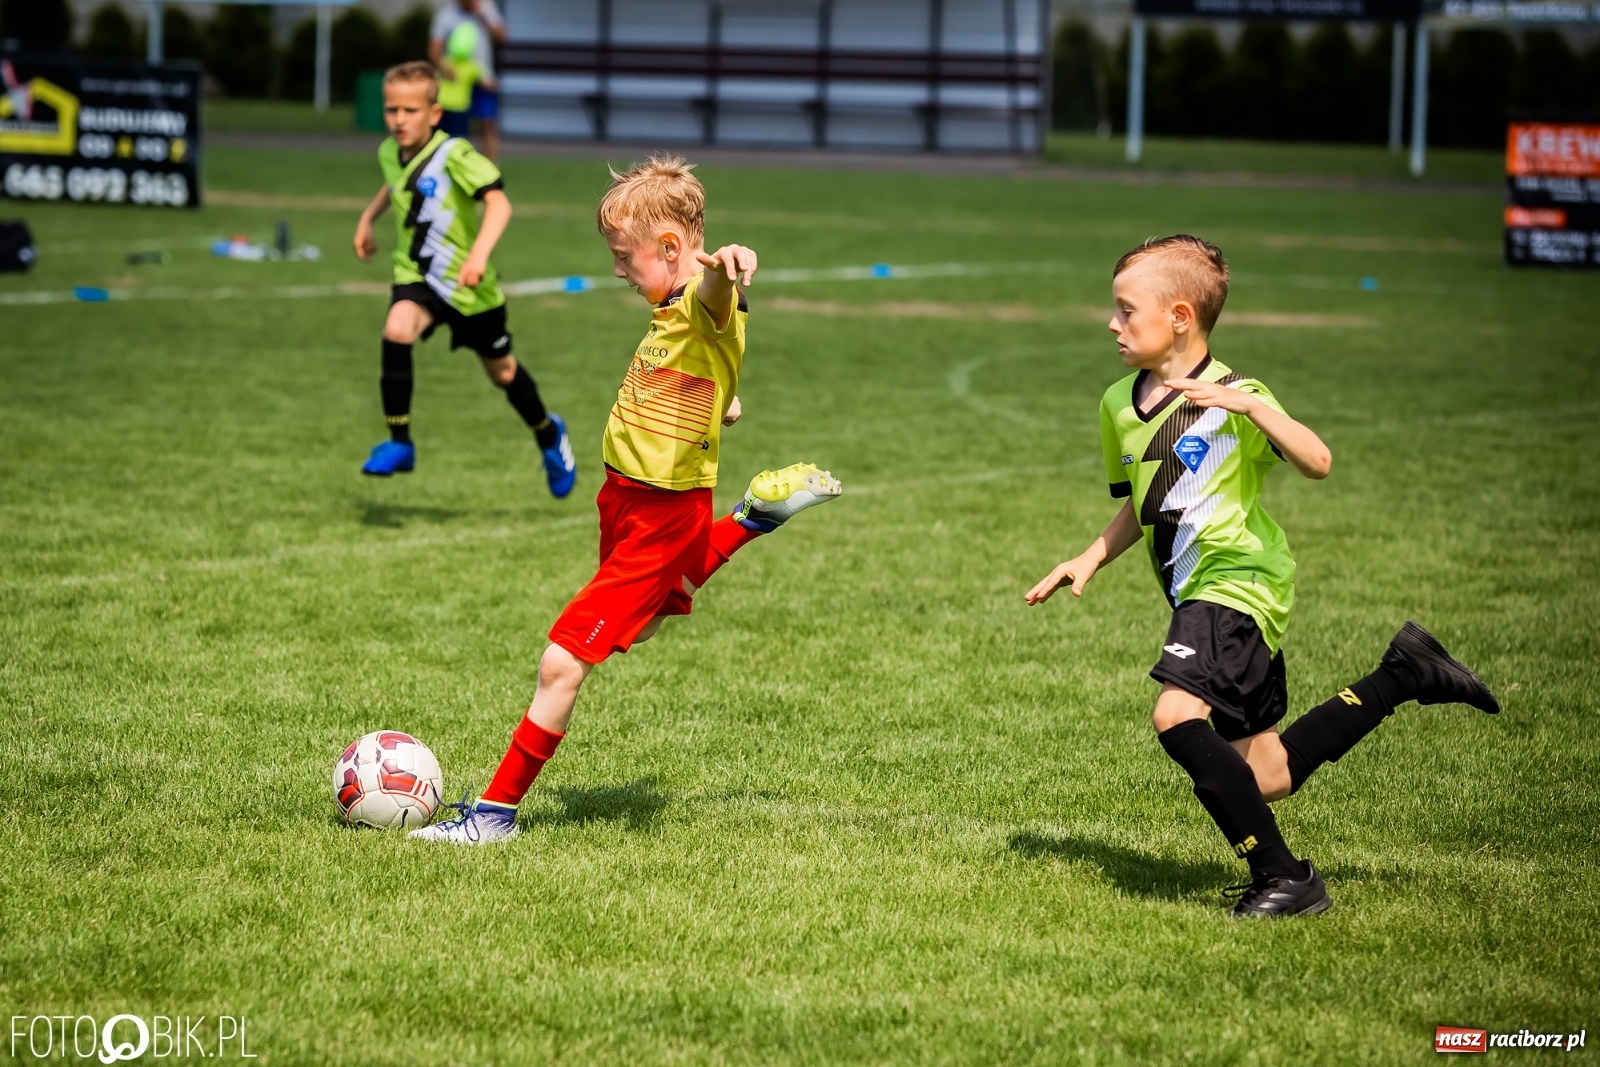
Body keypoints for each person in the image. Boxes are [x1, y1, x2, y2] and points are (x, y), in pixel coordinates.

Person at [1025, 235, 1499, 917]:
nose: (1112, 323)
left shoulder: (1240, 396)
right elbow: (1146, 499)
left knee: (1175, 714)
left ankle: (1284, 876)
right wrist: (1091, 554)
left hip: (1239, 580)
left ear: (1180, 317)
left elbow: (1318, 460)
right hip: (1197, 592)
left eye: (1127, 311)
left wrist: (1250, 408)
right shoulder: (1117, 404)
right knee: (1263, 772)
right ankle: (1406, 672)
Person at [411, 156, 842, 844]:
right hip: (624, 498)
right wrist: (721, 401)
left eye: (623, 257)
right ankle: (753, 516)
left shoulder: (702, 294)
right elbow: (702, 364)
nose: (616, 269)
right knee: (634, 629)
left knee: (563, 661)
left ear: (672, 249)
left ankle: (494, 815)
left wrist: (726, 265)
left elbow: (718, 303)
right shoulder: (670, 304)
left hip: (663, 510)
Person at [352, 61, 576, 496]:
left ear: (434, 114)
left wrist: (477, 256)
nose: (399, 120)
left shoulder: (454, 153)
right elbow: (396, 183)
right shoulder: (387, 151)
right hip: (416, 276)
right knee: (397, 327)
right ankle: (400, 443)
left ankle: (549, 435)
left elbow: (499, 204)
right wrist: (367, 218)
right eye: (392, 109)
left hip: (469, 288)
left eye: (410, 111)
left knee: (504, 374)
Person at [429, 0, 506, 163]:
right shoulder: (446, 14)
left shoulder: (486, 9)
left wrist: (483, 16)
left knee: (488, 125)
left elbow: (502, 36)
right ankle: (442, 163)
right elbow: (434, 49)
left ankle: (490, 171)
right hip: (455, 83)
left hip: (484, 78)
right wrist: (445, 69)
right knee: (451, 128)